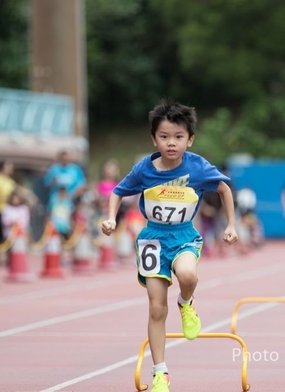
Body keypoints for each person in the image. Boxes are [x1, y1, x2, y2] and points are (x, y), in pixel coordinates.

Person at [100, 99, 238, 392]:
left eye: (178, 137)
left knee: (188, 275)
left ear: (190, 139)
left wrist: (231, 225)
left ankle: (186, 303)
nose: (171, 143)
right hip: (152, 239)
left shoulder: (197, 166)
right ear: (154, 139)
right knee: (156, 308)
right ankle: (160, 373)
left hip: (183, 235)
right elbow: (117, 192)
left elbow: (224, 189)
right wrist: (110, 217)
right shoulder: (144, 169)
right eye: (164, 136)